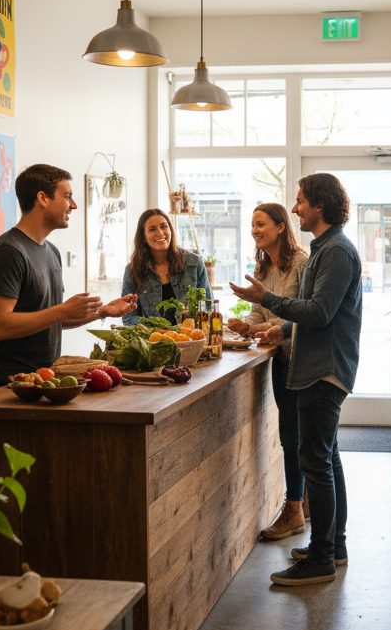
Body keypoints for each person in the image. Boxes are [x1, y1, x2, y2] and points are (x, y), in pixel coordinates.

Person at [229, 173, 361, 587]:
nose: (297, 207)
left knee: (316, 463)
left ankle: (321, 558)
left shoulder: (337, 250)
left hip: (324, 370)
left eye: (301, 200)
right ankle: (332, 545)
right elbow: (311, 310)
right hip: (315, 365)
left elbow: (320, 312)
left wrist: (264, 299)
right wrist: (281, 330)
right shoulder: (325, 247)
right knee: (326, 458)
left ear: (320, 205)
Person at [0, 164, 137, 393]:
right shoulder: (7, 252)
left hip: (44, 380)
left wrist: (101, 312)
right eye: (67, 196)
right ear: (42, 198)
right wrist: (62, 309)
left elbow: (47, 320)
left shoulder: (51, 252)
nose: (73, 205)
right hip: (5, 386)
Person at [228, 203, 310, 540]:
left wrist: (274, 326)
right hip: (281, 362)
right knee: (291, 438)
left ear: (280, 227)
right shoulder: (261, 269)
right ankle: (299, 505)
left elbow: (308, 314)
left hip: (303, 362)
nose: (255, 230)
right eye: (252, 225)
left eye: (260, 224)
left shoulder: (302, 264)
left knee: (300, 440)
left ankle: (295, 509)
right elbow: (257, 316)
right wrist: (242, 326)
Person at [120, 208, 211, 325]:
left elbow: (208, 308)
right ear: (143, 237)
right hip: (154, 341)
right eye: (152, 229)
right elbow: (128, 316)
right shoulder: (132, 270)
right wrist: (155, 329)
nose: (160, 233)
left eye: (164, 226)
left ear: (170, 230)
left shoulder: (194, 263)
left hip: (191, 339)